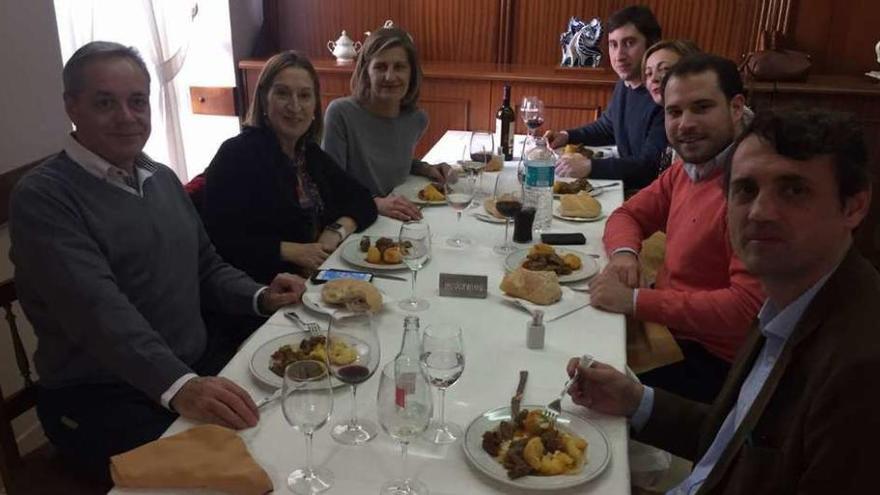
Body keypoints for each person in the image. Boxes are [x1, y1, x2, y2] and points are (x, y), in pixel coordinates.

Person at [8, 41, 306, 479]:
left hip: (193, 365)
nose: (126, 117)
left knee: (300, 418)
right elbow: (99, 315)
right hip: (100, 396)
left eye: (137, 101)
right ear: (71, 106)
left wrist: (261, 295)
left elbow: (207, 266)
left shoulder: (160, 177)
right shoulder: (44, 198)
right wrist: (181, 386)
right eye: (105, 102)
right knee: (243, 473)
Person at [567, 108, 878, 493]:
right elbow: (736, 443)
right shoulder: (787, 303)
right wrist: (636, 400)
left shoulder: (860, 366)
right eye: (746, 190)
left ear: (853, 206)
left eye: (794, 190)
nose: (761, 212)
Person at [591, 54, 765, 403]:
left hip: (710, 361)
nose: (685, 124)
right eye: (674, 112)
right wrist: (626, 255)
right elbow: (627, 216)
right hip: (665, 330)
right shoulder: (688, 169)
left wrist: (638, 301)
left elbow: (745, 310)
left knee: (575, 387)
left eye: (701, 108)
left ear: (736, 107)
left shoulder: (753, 189)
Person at [203, 51, 377, 283]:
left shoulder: (308, 153)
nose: (295, 106)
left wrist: (335, 231)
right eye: (283, 93)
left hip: (315, 279)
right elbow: (218, 239)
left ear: (315, 106)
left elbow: (363, 200)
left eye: (305, 95)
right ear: (265, 99)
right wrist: (291, 251)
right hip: (263, 291)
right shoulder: (237, 155)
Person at [322, 26, 454, 221]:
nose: (390, 77)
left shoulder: (417, 119)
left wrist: (425, 168)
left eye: (399, 67)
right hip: (355, 221)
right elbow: (330, 185)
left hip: (397, 218)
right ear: (366, 72)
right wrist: (375, 203)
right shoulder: (341, 113)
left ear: (412, 73)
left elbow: (390, 161)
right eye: (380, 67)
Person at [545, 5, 667, 189]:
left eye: (629, 43)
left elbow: (649, 167)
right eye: (613, 44)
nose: (619, 56)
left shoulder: (662, 98)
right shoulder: (625, 84)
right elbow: (607, 127)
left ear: (651, 45)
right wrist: (567, 136)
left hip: (646, 194)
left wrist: (590, 166)